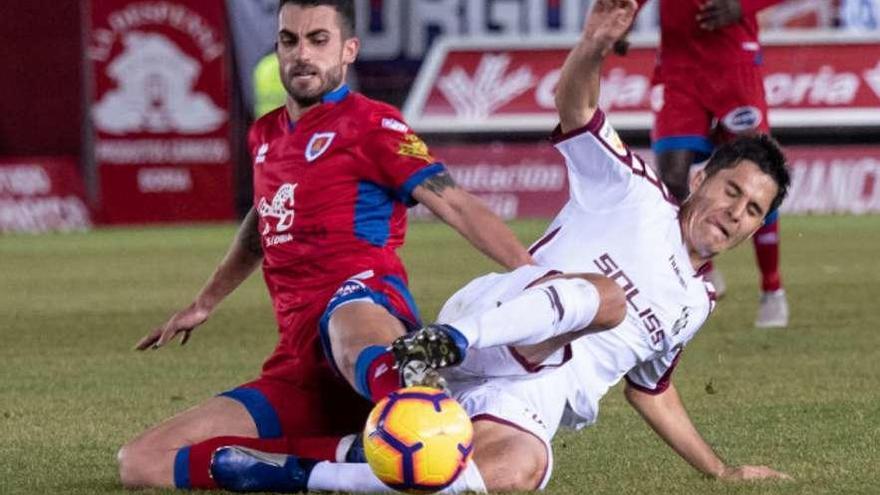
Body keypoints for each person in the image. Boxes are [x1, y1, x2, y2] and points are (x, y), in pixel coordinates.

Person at [205, 1, 792, 491]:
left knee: (513, 471)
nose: (733, 213)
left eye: (752, 209)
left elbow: (652, 390)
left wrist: (721, 470)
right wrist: (592, 45)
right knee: (607, 299)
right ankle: (439, 345)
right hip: (495, 322)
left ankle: (308, 472)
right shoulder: (634, 190)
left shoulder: (696, 304)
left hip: (536, 394)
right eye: (730, 190)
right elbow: (577, 109)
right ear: (699, 181)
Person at [116, 0, 533, 490]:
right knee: (141, 462)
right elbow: (262, 220)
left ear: (348, 51)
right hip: (299, 364)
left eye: (318, 40)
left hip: (367, 313)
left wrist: (535, 277)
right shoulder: (265, 134)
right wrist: (204, 302)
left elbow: (456, 204)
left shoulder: (373, 125)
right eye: (289, 40)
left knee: (346, 312)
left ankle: (413, 400)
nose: (301, 54)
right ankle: (340, 460)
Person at [628, 0, 790, 327]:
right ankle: (688, 275)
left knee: (758, 174)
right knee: (671, 181)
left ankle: (772, 288)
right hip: (679, 65)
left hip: (733, 63)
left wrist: (743, 6)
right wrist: (626, 14)